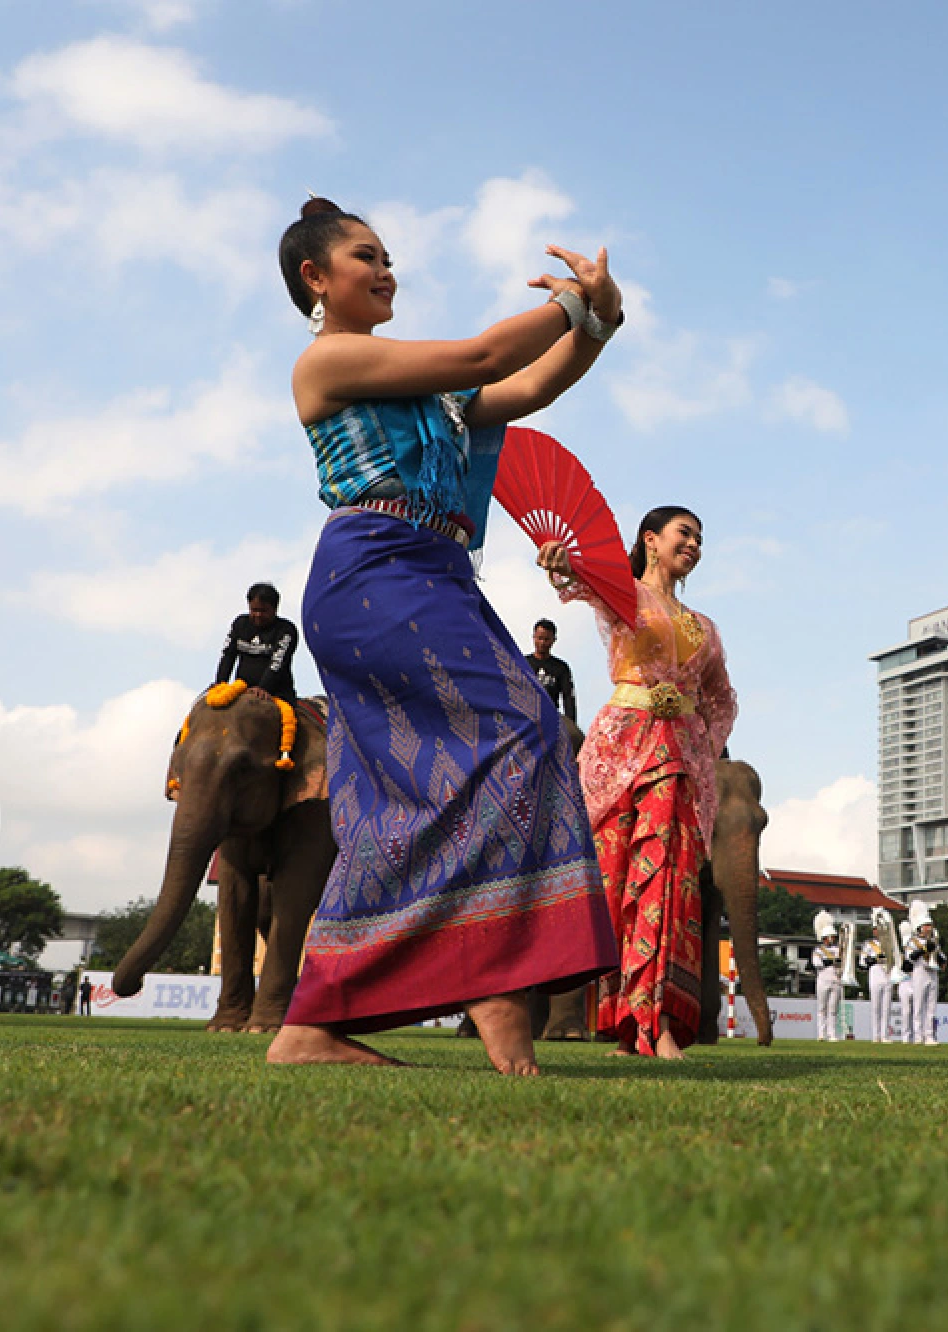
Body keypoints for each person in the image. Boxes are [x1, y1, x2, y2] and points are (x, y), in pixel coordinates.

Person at [265, 197, 621, 1073]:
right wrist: (572, 303)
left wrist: (599, 325)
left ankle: (321, 1025)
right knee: (523, 732)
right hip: (375, 572)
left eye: (388, 256)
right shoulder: (331, 361)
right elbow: (484, 354)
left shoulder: (426, 388)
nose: (386, 269)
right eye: (364, 256)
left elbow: (526, 385)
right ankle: (485, 997)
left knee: (421, 788)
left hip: (437, 573)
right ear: (315, 278)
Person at [542, 505, 738, 1059]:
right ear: (651, 541)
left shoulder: (706, 628)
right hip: (618, 747)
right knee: (616, 882)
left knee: (667, 879)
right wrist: (560, 565)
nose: (695, 544)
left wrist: (691, 722)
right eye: (685, 533)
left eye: (701, 537)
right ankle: (626, 1027)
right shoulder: (623, 592)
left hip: (673, 755)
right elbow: (577, 581)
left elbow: (722, 701)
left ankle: (659, 1024)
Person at [215, 583, 300, 702]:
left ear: (275, 609)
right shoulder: (240, 624)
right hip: (241, 691)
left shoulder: (286, 630)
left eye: (263, 611)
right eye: (254, 610)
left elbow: (278, 663)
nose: (258, 615)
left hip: (276, 694)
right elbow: (228, 656)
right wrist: (220, 683)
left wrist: (263, 688)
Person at [899, 906, 941, 1045]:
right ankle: (918, 1036)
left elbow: (941, 958)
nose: (929, 928)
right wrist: (924, 949)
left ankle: (929, 1035)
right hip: (919, 973)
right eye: (926, 926)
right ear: (919, 927)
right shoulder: (912, 941)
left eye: (930, 925)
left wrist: (939, 955)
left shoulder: (934, 941)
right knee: (918, 1006)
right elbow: (910, 957)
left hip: (933, 973)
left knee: (931, 1006)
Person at [526, 619, 579, 725]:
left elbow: (568, 698)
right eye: (539, 638)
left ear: (553, 640)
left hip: (550, 720)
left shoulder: (561, 668)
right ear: (533, 638)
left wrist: (571, 725)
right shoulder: (523, 663)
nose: (542, 643)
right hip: (525, 719)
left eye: (546, 639)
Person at [811, 911, 845, 1043]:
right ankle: (821, 1034)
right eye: (830, 937)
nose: (832, 939)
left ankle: (832, 1034)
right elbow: (817, 963)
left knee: (833, 1010)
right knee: (822, 1008)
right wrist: (831, 961)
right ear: (825, 937)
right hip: (823, 980)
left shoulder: (838, 950)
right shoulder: (818, 950)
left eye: (833, 937)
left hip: (836, 980)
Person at [861, 916, 895, 1042]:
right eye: (875, 929)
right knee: (876, 1007)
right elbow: (863, 962)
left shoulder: (890, 942)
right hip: (875, 973)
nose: (877, 931)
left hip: (888, 974)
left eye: (879, 929)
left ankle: (885, 1035)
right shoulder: (868, 944)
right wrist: (875, 959)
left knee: (886, 1007)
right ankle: (876, 1036)